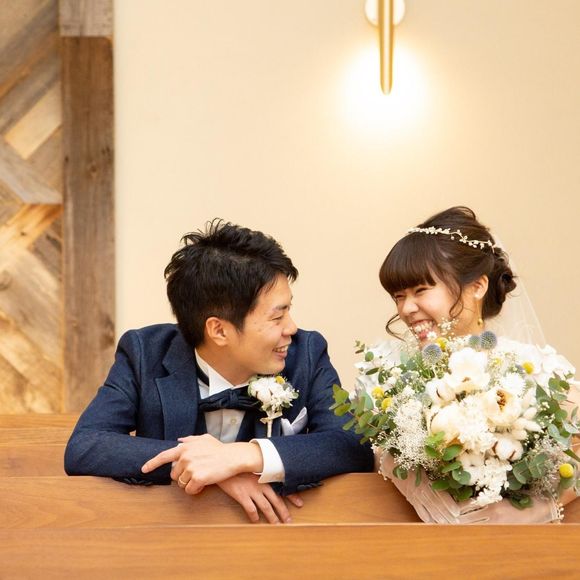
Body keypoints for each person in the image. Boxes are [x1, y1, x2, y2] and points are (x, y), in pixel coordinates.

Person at [65, 220, 374, 524]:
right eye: (277, 317)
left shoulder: (306, 352)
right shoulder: (145, 353)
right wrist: (206, 466)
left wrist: (243, 457)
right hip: (170, 535)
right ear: (219, 330)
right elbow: (86, 446)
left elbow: (352, 445)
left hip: (275, 537)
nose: (291, 328)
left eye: (288, 311)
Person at [375, 206, 578, 523]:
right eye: (398, 296)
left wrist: (536, 510)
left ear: (478, 286)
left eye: (421, 290)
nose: (407, 308)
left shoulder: (533, 367)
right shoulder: (394, 382)